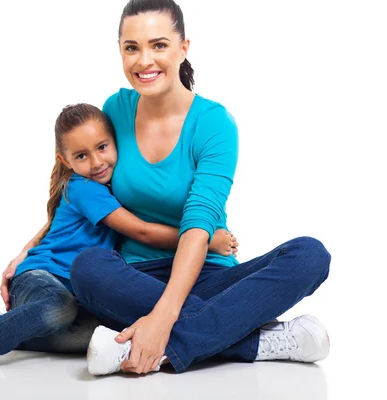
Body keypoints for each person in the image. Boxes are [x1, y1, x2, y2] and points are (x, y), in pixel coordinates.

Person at [64, 0, 332, 376]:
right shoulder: (116, 109)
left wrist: (164, 316)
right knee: (88, 267)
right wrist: (28, 252)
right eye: (131, 48)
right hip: (135, 277)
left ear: (183, 48)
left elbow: (199, 223)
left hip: (209, 271)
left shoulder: (214, 123)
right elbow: (77, 179)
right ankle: (256, 341)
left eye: (158, 45)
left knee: (310, 255)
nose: (144, 61)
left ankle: (152, 347)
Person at [0, 103, 238, 383]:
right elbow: (141, 231)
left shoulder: (122, 187)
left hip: (78, 295)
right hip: (43, 277)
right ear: (65, 160)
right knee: (58, 308)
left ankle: (0, 324)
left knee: (102, 335)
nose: (97, 161)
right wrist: (206, 240)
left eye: (102, 147)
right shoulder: (85, 188)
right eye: (82, 156)